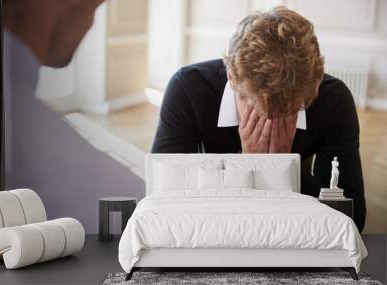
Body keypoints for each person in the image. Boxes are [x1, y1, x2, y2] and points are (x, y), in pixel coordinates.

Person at [151, 6, 366, 232]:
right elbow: (163, 200)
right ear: (232, 77)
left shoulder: (334, 99)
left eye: (289, 111)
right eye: (257, 110)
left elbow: (352, 219)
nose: (269, 127)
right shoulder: (189, 88)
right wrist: (245, 166)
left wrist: (285, 167)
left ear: (314, 86)